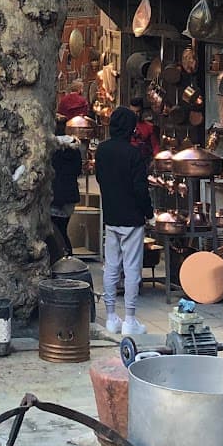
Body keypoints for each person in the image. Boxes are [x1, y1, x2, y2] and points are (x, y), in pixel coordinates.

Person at [95, 106, 152, 338]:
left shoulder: (102, 150)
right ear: (130, 128)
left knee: (111, 267)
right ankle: (129, 319)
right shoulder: (133, 154)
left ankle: (110, 317)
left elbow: (99, 177)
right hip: (132, 218)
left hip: (111, 215)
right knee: (131, 269)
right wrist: (148, 211)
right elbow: (140, 189)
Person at [50, 105, 84, 260]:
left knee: (56, 231)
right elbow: (78, 170)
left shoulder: (52, 148)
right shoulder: (74, 149)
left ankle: (62, 256)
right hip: (69, 194)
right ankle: (67, 255)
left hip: (55, 194)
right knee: (62, 229)